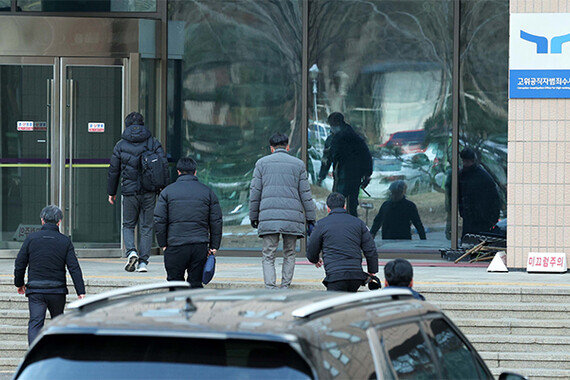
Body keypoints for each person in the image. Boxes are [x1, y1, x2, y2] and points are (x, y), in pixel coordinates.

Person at [249, 132, 316, 289]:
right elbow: (305, 194)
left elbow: (255, 192)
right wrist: (311, 218)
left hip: (269, 215)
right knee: (290, 253)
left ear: (271, 148)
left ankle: (270, 287)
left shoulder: (261, 163)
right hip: (292, 217)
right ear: (287, 147)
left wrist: (253, 215)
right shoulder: (298, 164)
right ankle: (285, 286)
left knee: (268, 254)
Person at [13, 206, 86, 345]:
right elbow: (74, 267)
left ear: (42, 220)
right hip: (57, 291)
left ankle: (34, 358)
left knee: (35, 323)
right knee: (57, 322)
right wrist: (80, 291)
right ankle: (55, 354)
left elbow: (20, 263)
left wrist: (19, 283)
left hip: (36, 290)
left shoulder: (31, 239)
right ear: (59, 222)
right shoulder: (65, 241)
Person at [107, 111, 169, 273]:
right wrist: (164, 188)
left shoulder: (120, 145)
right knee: (147, 226)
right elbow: (163, 166)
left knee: (128, 225)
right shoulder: (153, 143)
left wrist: (111, 192)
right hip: (149, 192)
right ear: (142, 124)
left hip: (129, 192)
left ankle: (131, 252)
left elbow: (113, 171)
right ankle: (143, 263)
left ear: (127, 125)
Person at [154, 157, 222, 288]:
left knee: (175, 283)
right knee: (195, 284)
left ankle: (177, 307)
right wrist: (214, 246)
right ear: (195, 172)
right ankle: (195, 308)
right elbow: (216, 220)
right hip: (199, 245)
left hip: (175, 244)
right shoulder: (207, 192)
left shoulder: (167, 192)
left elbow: (159, 220)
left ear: (178, 172)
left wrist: (162, 243)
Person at [306, 192, 378, 292]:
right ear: (344, 206)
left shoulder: (321, 224)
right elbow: (370, 249)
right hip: (356, 276)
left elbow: (311, 248)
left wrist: (315, 259)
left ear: (328, 208)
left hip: (335, 276)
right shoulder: (358, 223)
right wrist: (372, 270)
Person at [317, 112, 372, 217]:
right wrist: (367, 174)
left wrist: (321, 176)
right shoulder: (356, 137)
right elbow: (366, 157)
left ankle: (338, 226)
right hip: (354, 176)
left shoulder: (334, 139)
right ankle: (351, 228)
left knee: (337, 205)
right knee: (351, 207)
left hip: (342, 176)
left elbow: (327, 159)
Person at [458, 148, 500, 238]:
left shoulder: (482, 177)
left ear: (472, 161)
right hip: (469, 215)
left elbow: (493, 198)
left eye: (467, 161)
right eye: (464, 161)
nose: (465, 164)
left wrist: (492, 218)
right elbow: (459, 195)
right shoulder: (462, 175)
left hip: (481, 217)